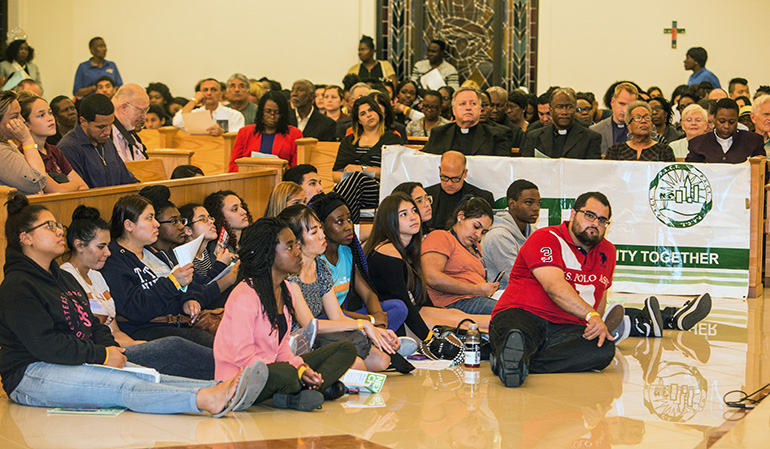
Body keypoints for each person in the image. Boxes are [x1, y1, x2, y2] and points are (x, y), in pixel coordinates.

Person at [0, 194, 262, 417]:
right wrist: (102, 355)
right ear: (26, 238)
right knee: (121, 385)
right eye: (48, 227)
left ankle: (221, 387)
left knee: (144, 373)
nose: (60, 230)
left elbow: (92, 324)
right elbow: (46, 345)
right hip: (31, 372)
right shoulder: (17, 285)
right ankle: (204, 399)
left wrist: (110, 347)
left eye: (58, 224)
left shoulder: (62, 277)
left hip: (73, 359)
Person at [213, 217, 358, 410]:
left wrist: (302, 368)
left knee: (346, 350)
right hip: (242, 378)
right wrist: (293, 371)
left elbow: (281, 349)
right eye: (290, 247)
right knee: (285, 373)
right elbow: (243, 358)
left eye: (297, 246)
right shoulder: (245, 295)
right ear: (268, 254)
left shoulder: (286, 290)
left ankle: (301, 391)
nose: (298, 253)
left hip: (276, 368)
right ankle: (305, 391)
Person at [61, 205, 216, 380]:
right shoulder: (66, 278)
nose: (107, 252)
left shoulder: (96, 276)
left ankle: (234, 377)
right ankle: (233, 375)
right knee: (175, 346)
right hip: (98, 355)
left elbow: (115, 330)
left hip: (119, 345)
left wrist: (136, 345)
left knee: (187, 349)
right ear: (79, 245)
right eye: (101, 247)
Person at [489, 192, 617, 388]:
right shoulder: (545, 237)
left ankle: (511, 359)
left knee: (603, 349)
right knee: (516, 331)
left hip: (566, 328)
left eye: (602, 220)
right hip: (524, 314)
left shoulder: (608, 251)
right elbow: (554, 286)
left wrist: (595, 325)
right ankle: (513, 353)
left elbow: (600, 297)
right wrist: (591, 316)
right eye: (589, 215)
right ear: (573, 214)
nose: (595, 224)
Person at [279, 205, 408, 372]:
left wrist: (372, 329)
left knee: (382, 361)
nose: (322, 235)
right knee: (358, 365)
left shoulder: (321, 266)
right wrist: (363, 325)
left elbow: (337, 315)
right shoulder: (290, 276)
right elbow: (310, 326)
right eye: (313, 232)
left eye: (320, 227)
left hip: (321, 336)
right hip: (298, 343)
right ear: (296, 242)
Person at [100, 194, 216, 347]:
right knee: (210, 346)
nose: (156, 224)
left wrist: (188, 299)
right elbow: (134, 308)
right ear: (129, 225)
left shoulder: (155, 252)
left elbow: (185, 286)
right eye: (149, 218)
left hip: (179, 323)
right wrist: (173, 282)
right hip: (145, 330)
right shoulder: (113, 260)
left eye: (155, 218)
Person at [309, 192, 408, 333]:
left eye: (349, 219)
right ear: (322, 226)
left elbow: (368, 294)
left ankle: (376, 337)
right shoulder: (315, 260)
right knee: (325, 318)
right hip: (328, 319)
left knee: (398, 307)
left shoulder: (347, 252)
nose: (348, 226)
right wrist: (370, 320)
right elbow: (326, 312)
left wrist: (378, 318)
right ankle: (373, 338)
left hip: (349, 317)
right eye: (339, 222)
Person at [421, 197, 498, 317]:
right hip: (452, 302)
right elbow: (432, 278)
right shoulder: (441, 237)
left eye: (483, 232)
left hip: (473, 298)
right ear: (461, 216)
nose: (478, 235)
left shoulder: (476, 247)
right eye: (476, 226)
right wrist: (476, 289)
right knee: (509, 312)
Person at [332, 96, 401, 223]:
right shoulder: (349, 141)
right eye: (363, 114)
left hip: (379, 190)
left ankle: (343, 225)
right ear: (358, 120)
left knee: (357, 178)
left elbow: (393, 173)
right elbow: (335, 175)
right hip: (352, 189)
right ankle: (351, 228)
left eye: (371, 110)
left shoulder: (392, 139)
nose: (369, 115)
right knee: (355, 180)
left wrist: (363, 170)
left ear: (378, 113)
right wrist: (353, 177)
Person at [58, 93, 138, 188]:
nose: (108, 132)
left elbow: (127, 180)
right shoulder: (68, 148)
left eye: (110, 125)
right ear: (83, 121)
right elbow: (79, 193)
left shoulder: (106, 142)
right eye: (101, 127)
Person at [16, 91, 88, 192]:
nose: (50, 118)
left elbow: (84, 187)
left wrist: (67, 186)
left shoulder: (54, 150)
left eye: (50, 113)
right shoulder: (24, 154)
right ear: (26, 124)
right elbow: (57, 191)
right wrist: (74, 184)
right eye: (41, 115)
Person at [482, 180, 540, 289]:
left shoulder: (534, 232)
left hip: (527, 292)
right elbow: (518, 278)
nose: (536, 208)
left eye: (538, 203)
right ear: (512, 204)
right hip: (501, 295)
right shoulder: (498, 235)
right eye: (529, 202)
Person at [422, 87, 513, 157]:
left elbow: (501, 168)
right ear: (454, 110)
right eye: (463, 104)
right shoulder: (439, 133)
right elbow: (425, 161)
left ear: (479, 109)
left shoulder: (497, 136)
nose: (468, 108)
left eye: (473, 103)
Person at [228, 91, 303, 172]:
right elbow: (233, 166)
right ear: (261, 111)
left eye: (277, 113)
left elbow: (296, 169)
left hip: (281, 181)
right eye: (268, 111)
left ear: (283, 114)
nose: (272, 116)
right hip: (249, 179)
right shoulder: (245, 132)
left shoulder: (295, 134)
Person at [521, 88, 602, 159]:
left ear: (574, 109)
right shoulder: (534, 137)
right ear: (551, 110)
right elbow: (527, 167)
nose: (564, 112)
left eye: (569, 107)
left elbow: (593, 170)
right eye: (559, 107)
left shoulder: (591, 138)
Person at [424, 150, 494, 230]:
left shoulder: (483, 198)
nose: (449, 183)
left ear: (464, 173)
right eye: (445, 177)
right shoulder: (425, 195)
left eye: (455, 178)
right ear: (440, 170)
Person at [686, 98, 766, 163]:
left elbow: (763, 175)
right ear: (714, 119)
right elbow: (691, 175)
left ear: (737, 120)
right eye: (722, 121)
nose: (726, 126)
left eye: (731, 122)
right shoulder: (697, 144)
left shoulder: (753, 141)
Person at [0, 90, 46, 194]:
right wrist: (27, 140)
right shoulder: (2, 152)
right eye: (15, 117)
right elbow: (37, 182)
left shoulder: (8, 143)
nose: (23, 120)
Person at [178, 202, 235, 282]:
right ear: (188, 230)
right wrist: (221, 264)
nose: (211, 222)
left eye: (210, 218)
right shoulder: (186, 259)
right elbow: (203, 288)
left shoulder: (203, 252)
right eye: (203, 219)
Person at [606, 101, 675, 161]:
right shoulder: (616, 150)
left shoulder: (664, 150)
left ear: (651, 124)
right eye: (637, 118)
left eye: (647, 118)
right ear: (629, 126)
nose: (643, 121)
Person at [173, 78, 244, 136]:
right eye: (205, 90)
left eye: (213, 90)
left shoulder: (234, 115)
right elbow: (177, 122)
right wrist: (194, 100)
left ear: (220, 94)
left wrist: (223, 133)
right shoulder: (195, 113)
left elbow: (237, 139)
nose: (209, 93)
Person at [590, 82, 639, 156]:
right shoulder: (596, 131)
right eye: (622, 104)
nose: (625, 110)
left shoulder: (642, 130)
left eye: (630, 105)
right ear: (613, 102)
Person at [111, 83, 150, 162]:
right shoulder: (105, 136)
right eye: (142, 111)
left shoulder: (133, 138)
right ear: (124, 107)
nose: (144, 117)